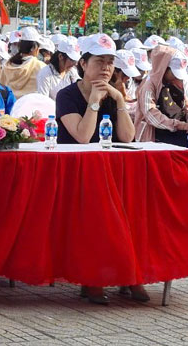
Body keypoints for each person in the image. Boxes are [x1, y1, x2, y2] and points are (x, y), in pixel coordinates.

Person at [54, 33, 137, 305]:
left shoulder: (114, 95)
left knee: (134, 208)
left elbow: (127, 138)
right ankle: (93, 279)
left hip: (109, 170)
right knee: (97, 213)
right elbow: (82, 135)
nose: (106, 68)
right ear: (83, 63)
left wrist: (120, 101)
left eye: (111, 63)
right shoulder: (66, 95)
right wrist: (94, 101)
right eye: (99, 61)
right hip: (75, 170)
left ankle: (129, 275)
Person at [134, 45, 188, 144]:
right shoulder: (149, 85)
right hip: (156, 136)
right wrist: (178, 125)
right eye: (173, 73)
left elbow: (187, 104)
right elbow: (150, 113)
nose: (175, 77)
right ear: (163, 68)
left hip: (178, 132)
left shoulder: (178, 82)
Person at [0, 27, 44, 97]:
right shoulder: (40, 66)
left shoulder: (7, 65)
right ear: (34, 47)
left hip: (10, 106)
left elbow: (0, 86)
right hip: (32, 106)